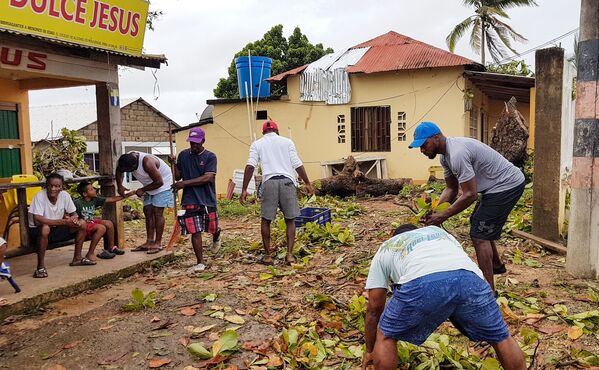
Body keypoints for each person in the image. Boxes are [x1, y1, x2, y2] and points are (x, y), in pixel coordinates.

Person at [362, 224, 526, 370]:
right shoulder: (439, 233)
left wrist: (370, 350)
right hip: (470, 279)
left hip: (422, 282)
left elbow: (375, 308)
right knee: (500, 336)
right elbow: (453, 271)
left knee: (386, 336)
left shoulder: (387, 247)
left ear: (395, 237)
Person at [408, 122, 525, 291]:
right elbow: (451, 188)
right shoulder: (445, 157)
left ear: (436, 137)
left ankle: (488, 291)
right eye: (420, 147)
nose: (422, 150)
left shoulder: (457, 154)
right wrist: (435, 211)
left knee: (479, 235)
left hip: (507, 185)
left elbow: (470, 195)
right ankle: (496, 265)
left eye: (424, 145)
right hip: (494, 187)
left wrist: (443, 216)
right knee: (478, 223)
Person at [240, 120, 313, 265]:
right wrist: (307, 183)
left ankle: (267, 256)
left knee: (266, 220)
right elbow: (297, 163)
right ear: (277, 131)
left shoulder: (257, 144)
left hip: (269, 183)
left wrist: (244, 189)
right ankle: (290, 255)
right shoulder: (287, 142)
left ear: (263, 132)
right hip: (287, 182)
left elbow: (250, 166)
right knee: (290, 220)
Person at [170, 127, 221, 273]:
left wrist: (184, 183)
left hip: (207, 198)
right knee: (195, 231)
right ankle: (200, 262)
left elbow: (208, 177)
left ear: (203, 141)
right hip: (189, 198)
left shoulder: (210, 156)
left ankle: (217, 235)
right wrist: (173, 164)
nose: (194, 145)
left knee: (212, 227)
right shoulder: (183, 155)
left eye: (196, 142)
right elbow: (178, 176)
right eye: (191, 142)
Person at [29, 173, 92, 278]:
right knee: (45, 228)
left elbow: (74, 214)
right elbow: (37, 220)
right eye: (51, 186)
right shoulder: (39, 196)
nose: (53, 189)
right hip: (38, 233)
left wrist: (74, 220)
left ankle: (77, 258)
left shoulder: (65, 195)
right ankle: (40, 267)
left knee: (82, 224)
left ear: (61, 187)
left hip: (57, 229)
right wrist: (64, 222)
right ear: (46, 186)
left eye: (57, 186)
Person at [115, 151, 174, 254]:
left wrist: (142, 190)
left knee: (157, 213)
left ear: (134, 165)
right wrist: (120, 186)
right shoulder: (126, 159)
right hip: (150, 185)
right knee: (147, 211)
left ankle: (158, 243)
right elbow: (119, 170)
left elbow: (159, 182)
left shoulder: (147, 162)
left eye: (130, 170)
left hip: (163, 185)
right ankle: (149, 241)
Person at [74, 181, 131, 259]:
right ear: (85, 194)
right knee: (101, 228)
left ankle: (111, 248)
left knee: (109, 223)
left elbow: (112, 199)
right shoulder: (77, 203)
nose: (94, 190)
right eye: (91, 189)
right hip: (83, 225)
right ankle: (90, 253)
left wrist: (128, 195)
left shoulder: (95, 199)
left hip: (91, 222)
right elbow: (69, 213)